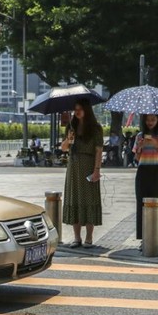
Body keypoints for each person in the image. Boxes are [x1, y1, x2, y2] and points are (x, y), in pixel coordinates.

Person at [61, 99, 103, 248]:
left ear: (87, 110)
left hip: (88, 166)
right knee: (74, 199)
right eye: (75, 109)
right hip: (73, 166)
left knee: (89, 200)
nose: (77, 112)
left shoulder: (96, 128)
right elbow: (64, 148)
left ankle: (89, 237)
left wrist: (97, 170)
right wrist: (69, 138)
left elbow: (99, 151)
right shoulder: (71, 127)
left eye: (80, 109)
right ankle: (77, 237)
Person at [133, 114, 158, 250]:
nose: (150, 122)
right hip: (143, 171)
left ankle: (157, 239)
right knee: (141, 205)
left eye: (153, 119)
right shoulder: (140, 135)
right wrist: (139, 147)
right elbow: (137, 158)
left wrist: (157, 145)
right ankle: (144, 239)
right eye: (148, 120)